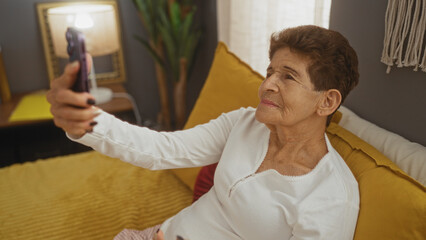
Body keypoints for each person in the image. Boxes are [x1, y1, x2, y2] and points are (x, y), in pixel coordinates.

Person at [47, 25, 360, 240]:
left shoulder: (331, 196)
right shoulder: (244, 123)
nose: (267, 85)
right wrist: (87, 122)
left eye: (288, 77)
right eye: (269, 72)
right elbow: (162, 149)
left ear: (327, 101)